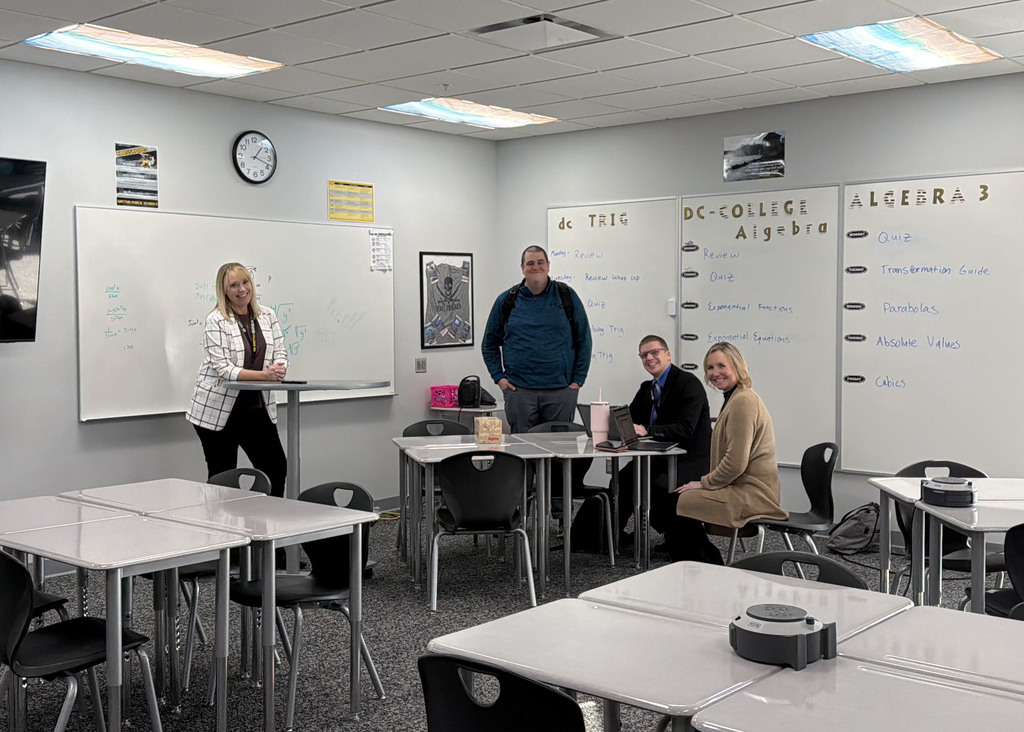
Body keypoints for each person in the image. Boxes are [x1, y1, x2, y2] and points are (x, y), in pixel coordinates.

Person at [674, 341, 787, 564]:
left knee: (678, 504)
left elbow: (736, 463)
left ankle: (707, 567)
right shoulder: (736, 398)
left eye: (721, 366)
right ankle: (703, 565)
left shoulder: (743, 402)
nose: (715, 373)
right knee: (678, 503)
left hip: (753, 495)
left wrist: (704, 483)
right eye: (710, 368)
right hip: (741, 489)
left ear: (737, 366)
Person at [186, 262, 288, 498]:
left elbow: (280, 352)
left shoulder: (267, 315)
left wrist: (279, 368)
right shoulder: (216, 319)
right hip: (219, 411)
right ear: (224, 291)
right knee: (223, 477)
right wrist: (265, 376)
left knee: (275, 468)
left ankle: (269, 528)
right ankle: (222, 533)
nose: (241, 289)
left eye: (245, 282)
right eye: (234, 285)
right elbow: (223, 368)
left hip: (256, 407)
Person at [615, 335, 712, 559]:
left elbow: (685, 429)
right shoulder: (647, 388)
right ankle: (612, 537)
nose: (649, 358)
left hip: (688, 459)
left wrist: (648, 430)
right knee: (622, 479)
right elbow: (632, 420)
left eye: (654, 352)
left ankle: (680, 540)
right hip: (658, 457)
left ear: (668, 354)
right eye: (644, 355)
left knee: (657, 485)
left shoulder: (688, 384)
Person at [481, 245, 592, 433]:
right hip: (519, 392)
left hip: (561, 391)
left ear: (548, 266)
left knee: (560, 452)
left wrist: (577, 381)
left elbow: (584, 341)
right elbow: (489, 344)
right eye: (530, 263)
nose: (536, 267)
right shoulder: (507, 300)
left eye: (540, 262)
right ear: (522, 268)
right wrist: (499, 378)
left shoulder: (567, 296)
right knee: (524, 452)